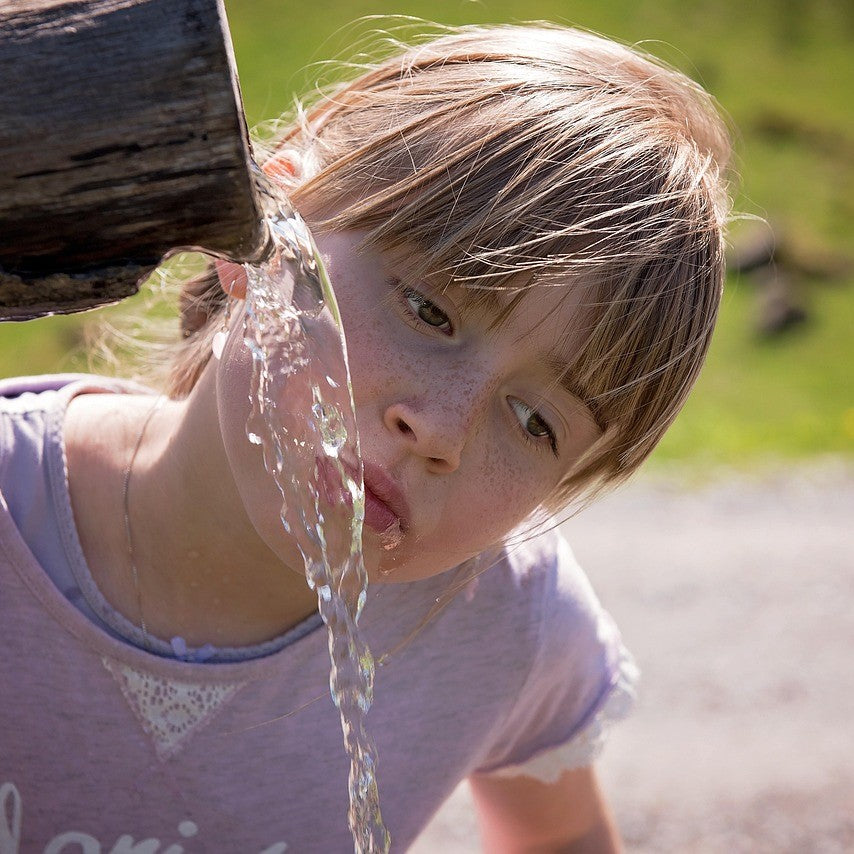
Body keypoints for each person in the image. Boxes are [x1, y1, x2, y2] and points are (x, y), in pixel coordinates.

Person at [0, 22, 730, 853]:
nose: (441, 430)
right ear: (261, 231)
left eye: (535, 422)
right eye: (428, 310)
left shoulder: (499, 620)